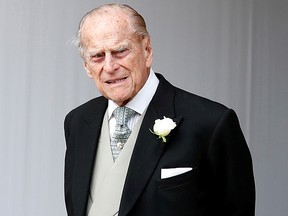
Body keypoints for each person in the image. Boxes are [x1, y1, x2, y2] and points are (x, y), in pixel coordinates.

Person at [64, 3, 255, 216]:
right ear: (86, 66)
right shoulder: (77, 122)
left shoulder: (211, 123)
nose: (109, 67)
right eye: (97, 56)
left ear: (147, 50)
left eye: (120, 51)